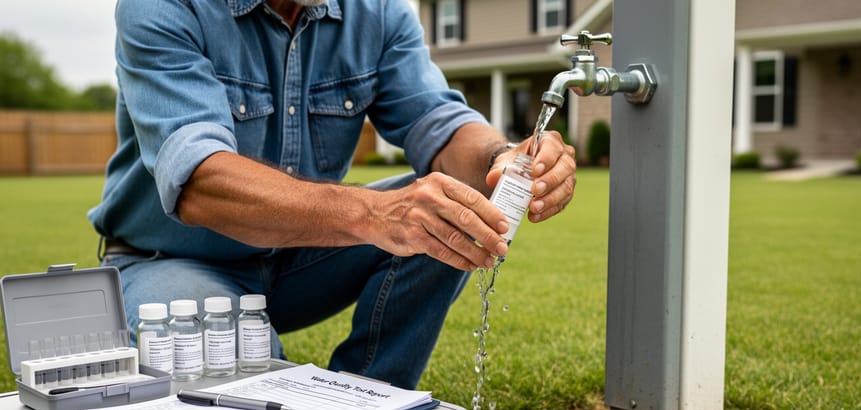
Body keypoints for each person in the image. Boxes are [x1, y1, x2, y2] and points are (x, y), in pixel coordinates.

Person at [89, 0, 576, 390]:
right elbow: (199, 183)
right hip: (171, 262)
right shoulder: (164, 6)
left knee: (450, 213)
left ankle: (369, 406)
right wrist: (374, 213)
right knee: (244, 388)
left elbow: (438, 122)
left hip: (302, 261)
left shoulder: (378, 14)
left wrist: (503, 158)